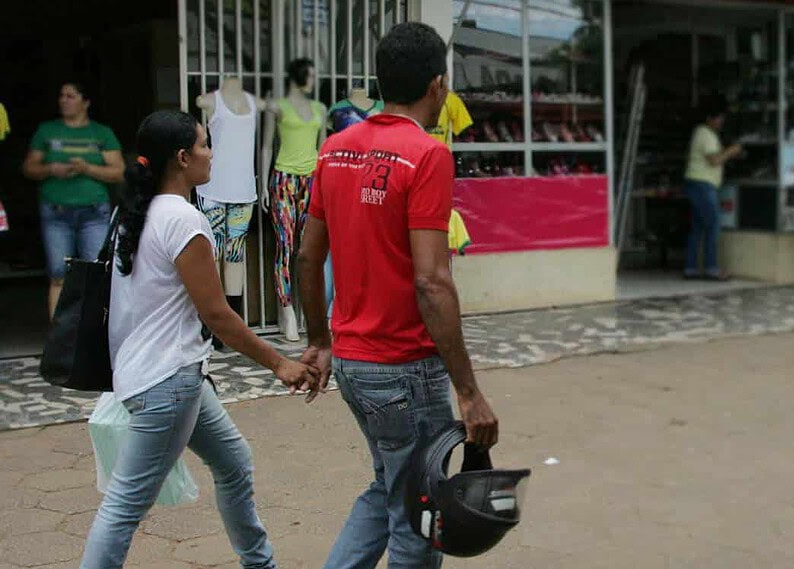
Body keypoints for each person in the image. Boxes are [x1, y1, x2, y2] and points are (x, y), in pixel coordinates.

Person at [296, 22, 499, 569]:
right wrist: (468, 392)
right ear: (437, 85)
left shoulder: (335, 149)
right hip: (404, 368)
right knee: (418, 512)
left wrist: (320, 340)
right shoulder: (427, 155)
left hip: (354, 364)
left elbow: (307, 257)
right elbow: (432, 281)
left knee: (391, 484)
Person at [80, 110, 319, 569]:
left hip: (164, 374)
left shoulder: (134, 212)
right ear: (183, 158)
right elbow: (216, 314)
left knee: (233, 462)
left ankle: (260, 563)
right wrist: (280, 363)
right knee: (123, 506)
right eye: (205, 144)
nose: (212, 153)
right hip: (167, 382)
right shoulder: (184, 220)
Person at [23, 82, 125, 317]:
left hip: (94, 212)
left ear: (85, 102)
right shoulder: (46, 131)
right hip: (56, 212)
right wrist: (51, 169)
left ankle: (94, 331)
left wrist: (86, 168)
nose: (64, 100)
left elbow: (119, 172)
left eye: (70, 96)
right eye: (61, 95)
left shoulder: (101, 133)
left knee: (96, 273)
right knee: (58, 274)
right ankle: (59, 334)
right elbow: (29, 168)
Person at [683, 99, 743, 281]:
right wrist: (732, 151)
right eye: (718, 118)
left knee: (698, 228)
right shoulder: (705, 133)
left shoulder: (704, 133)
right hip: (702, 185)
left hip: (697, 184)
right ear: (709, 118)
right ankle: (711, 268)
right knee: (713, 225)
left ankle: (691, 268)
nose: (721, 122)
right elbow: (714, 160)